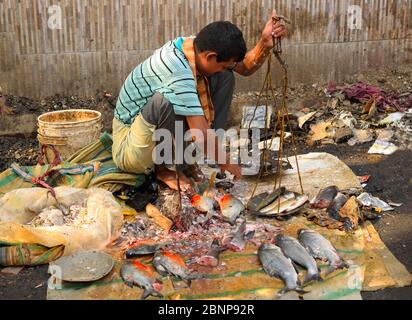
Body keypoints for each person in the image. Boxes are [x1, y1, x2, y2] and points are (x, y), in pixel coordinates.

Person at [112, 10, 287, 192]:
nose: (221, 68)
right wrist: (226, 163)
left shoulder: (195, 47)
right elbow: (200, 133)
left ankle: (186, 160)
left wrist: (265, 43)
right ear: (210, 56)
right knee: (165, 101)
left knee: (225, 76)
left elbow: (245, 67)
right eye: (220, 64)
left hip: (152, 135)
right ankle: (164, 168)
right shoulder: (176, 69)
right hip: (129, 148)